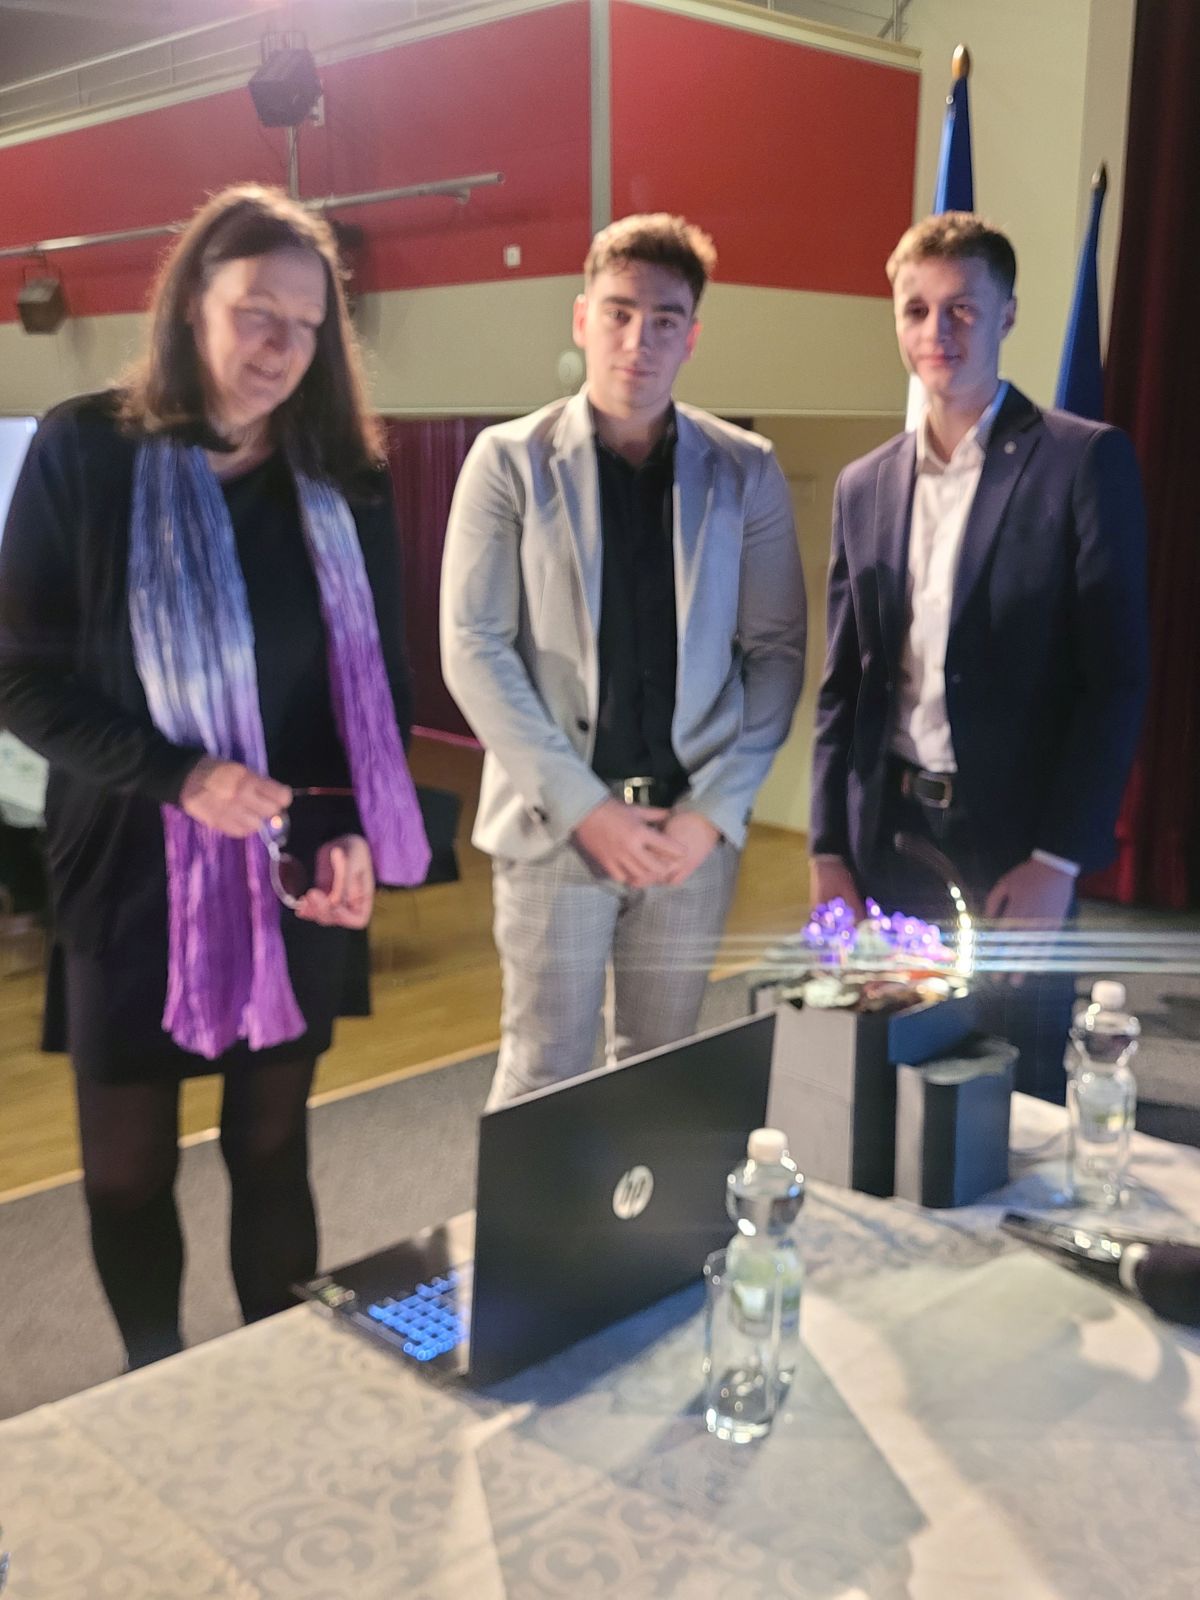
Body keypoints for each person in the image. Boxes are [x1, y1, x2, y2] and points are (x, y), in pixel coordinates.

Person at [0, 184, 429, 1367]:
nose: (281, 347)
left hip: (292, 873)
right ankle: (154, 1375)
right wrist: (181, 775)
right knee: (125, 1170)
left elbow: (372, 691)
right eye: (256, 313)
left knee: (272, 1150)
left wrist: (347, 827)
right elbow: (18, 677)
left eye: (308, 324)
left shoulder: (346, 477)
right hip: (128, 865)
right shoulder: (86, 450)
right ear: (192, 302)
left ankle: (269, 1380)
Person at [441, 212, 806, 1106]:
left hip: (691, 831)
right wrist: (587, 809)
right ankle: (535, 1216)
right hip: (557, 826)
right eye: (618, 312)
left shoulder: (746, 469)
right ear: (582, 318)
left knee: (660, 1068)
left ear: (693, 335)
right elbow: (474, 649)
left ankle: (639, 1216)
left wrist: (714, 814)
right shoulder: (508, 461)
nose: (639, 340)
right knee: (544, 1073)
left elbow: (775, 654)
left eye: (665, 319)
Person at [809, 212, 1149, 1099]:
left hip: (1016, 848)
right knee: (883, 1082)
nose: (937, 331)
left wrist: (1059, 860)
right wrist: (827, 850)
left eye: (962, 307)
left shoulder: (1082, 461)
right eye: (916, 310)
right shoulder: (863, 485)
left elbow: (1114, 681)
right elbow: (843, 689)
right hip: (887, 840)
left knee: (1008, 1091)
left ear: (1008, 314)